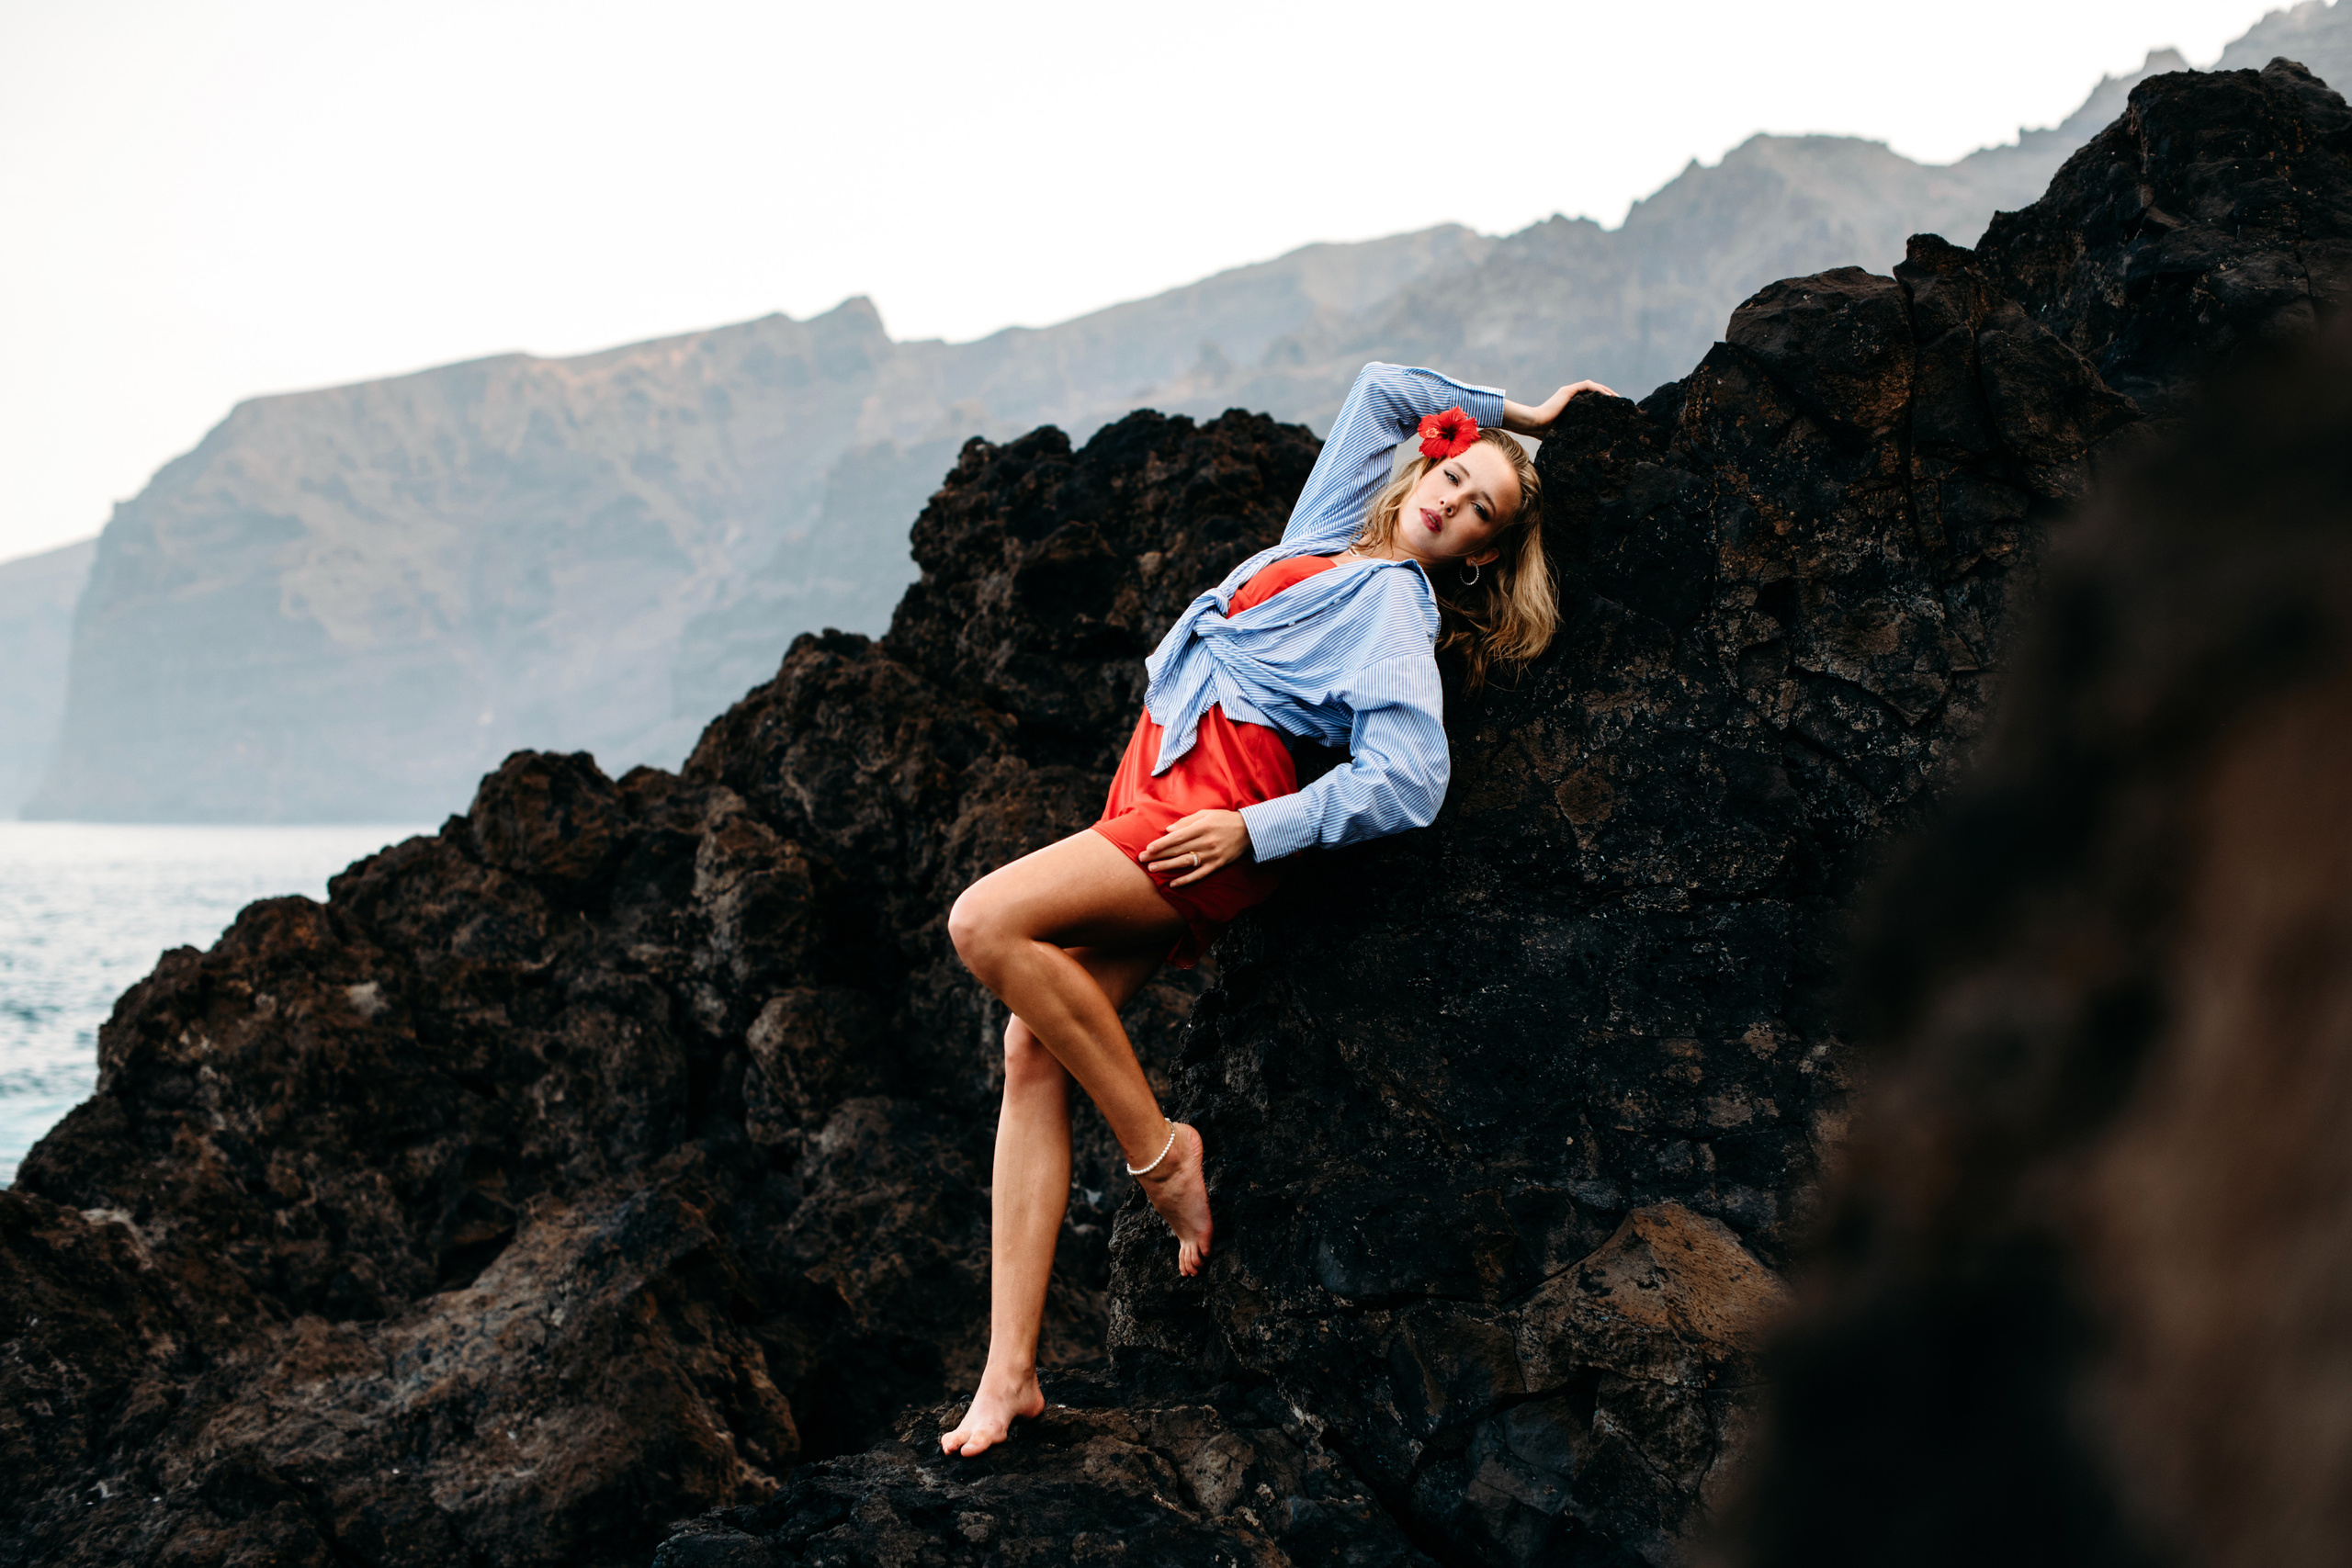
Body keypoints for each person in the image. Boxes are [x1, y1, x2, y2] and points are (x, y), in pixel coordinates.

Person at [939, 362, 1615, 1457]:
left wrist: (1259, 831)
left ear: (1483, 552)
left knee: (983, 923)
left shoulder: (1397, 600)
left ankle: (1163, 1156)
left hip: (1209, 813)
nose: (1448, 497)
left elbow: (1410, 778)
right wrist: (1522, 415)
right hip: (1154, 785)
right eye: (1451, 473)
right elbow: (1386, 390)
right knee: (1030, 1048)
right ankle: (1008, 1376)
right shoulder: (1333, 535)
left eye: (1477, 507)